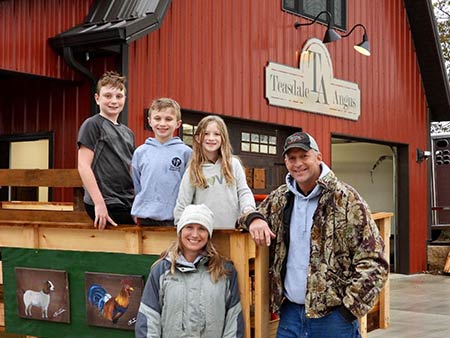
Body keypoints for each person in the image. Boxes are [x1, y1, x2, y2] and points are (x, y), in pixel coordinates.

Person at [238, 131, 389, 338]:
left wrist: (348, 311)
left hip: (333, 318)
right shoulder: (280, 199)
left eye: (304, 156)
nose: (298, 163)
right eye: (292, 158)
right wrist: (254, 219)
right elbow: (244, 217)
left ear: (319, 157)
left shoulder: (346, 199)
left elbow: (374, 261)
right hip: (290, 313)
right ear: (286, 162)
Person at [135, 204, 244, 338]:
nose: (195, 234)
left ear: (208, 234)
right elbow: (149, 319)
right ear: (180, 231)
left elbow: (233, 322)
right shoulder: (161, 270)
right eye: (189, 227)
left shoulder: (225, 271)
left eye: (202, 229)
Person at [174, 115, 255, 229]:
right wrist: (180, 225)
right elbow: (183, 203)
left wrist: (249, 210)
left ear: (223, 138)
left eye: (216, 134)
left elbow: (243, 192)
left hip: (233, 230)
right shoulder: (192, 170)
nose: (211, 138)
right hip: (204, 233)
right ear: (198, 138)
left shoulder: (233, 164)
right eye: (206, 134)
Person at [77, 71, 135, 230]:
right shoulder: (92, 125)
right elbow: (83, 166)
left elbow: (130, 168)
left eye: (119, 96)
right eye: (108, 96)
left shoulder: (128, 133)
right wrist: (99, 204)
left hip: (126, 200)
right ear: (97, 98)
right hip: (105, 202)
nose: (114, 101)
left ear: (125, 99)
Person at [131, 98, 192, 226]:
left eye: (168, 119)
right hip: (145, 216)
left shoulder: (186, 153)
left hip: (174, 218)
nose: (162, 123)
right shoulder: (140, 152)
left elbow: (189, 187)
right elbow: (137, 184)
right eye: (157, 118)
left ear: (178, 123)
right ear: (150, 121)